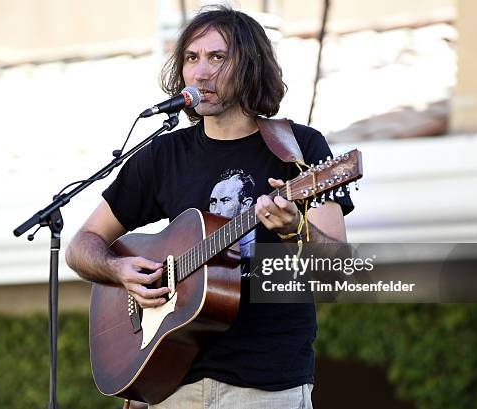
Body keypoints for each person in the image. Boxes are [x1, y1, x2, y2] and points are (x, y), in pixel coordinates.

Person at [66, 6, 353, 409]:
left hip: (267, 386)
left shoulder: (299, 149)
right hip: (168, 384)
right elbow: (82, 244)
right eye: (191, 58)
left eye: (218, 57)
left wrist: (293, 230)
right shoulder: (163, 155)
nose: (201, 72)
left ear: (250, 66)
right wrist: (120, 270)